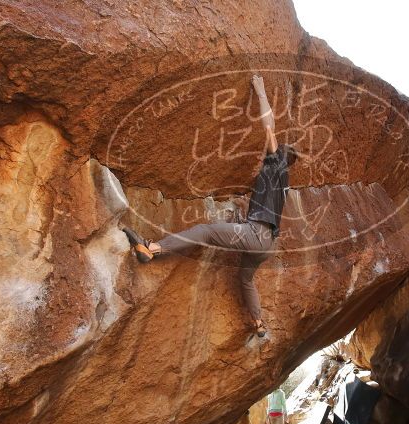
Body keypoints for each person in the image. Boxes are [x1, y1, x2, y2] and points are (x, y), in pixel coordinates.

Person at [122, 74, 298, 338]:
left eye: (274, 151)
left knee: (205, 232)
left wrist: (260, 91)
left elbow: (269, 127)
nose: (268, 152)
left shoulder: (276, 167)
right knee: (246, 279)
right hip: (266, 244)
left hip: (256, 235)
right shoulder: (283, 183)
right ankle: (258, 323)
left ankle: (152, 249)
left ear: (280, 157)